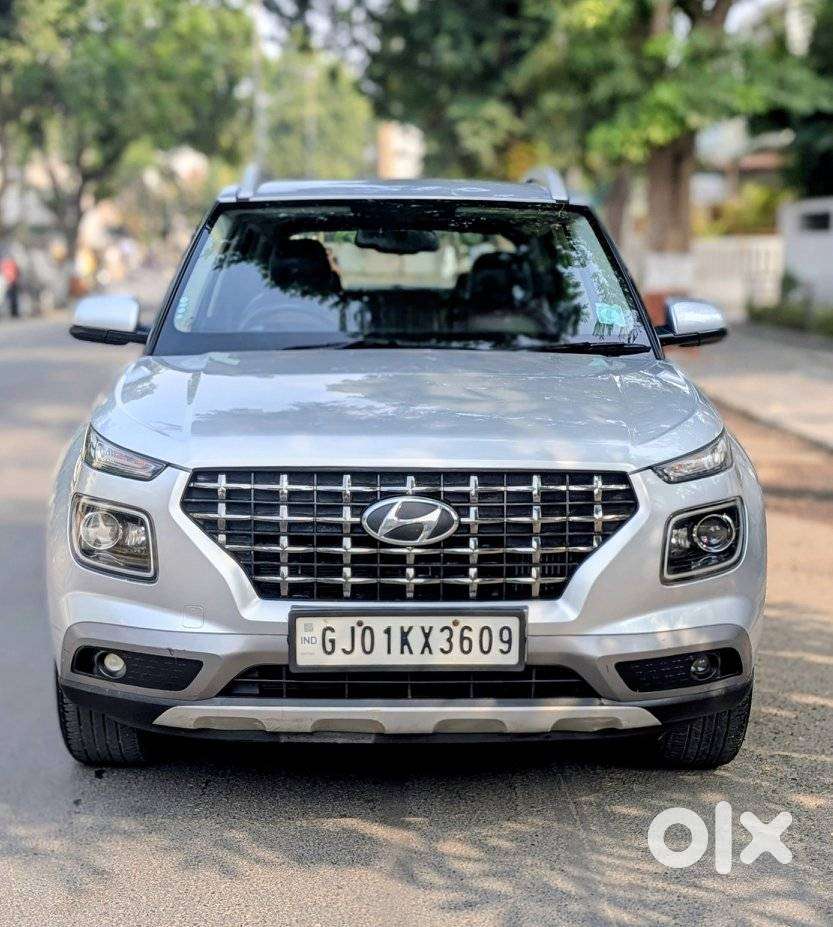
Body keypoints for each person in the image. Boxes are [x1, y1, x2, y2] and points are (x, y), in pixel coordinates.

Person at [0, 253, 20, 318]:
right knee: (8, 298)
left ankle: (14, 312)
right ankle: (13, 312)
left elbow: (17, 272)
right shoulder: (6, 264)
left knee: (12, 298)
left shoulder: (8, 264)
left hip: (11, 281)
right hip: (7, 281)